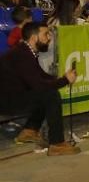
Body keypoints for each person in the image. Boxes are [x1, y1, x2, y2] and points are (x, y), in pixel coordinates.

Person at [0, 22, 79, 155]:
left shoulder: (26, 51)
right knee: (50, 95)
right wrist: (65, 81)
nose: (49, 38)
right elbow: (39, 85)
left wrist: (62, 78)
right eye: (45, 34)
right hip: (6, 102)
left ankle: (30, 131)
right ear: (34, 37)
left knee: (45, 93)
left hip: (13, 97)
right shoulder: (22, 54)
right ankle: (57, 143)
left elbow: (41, 77)